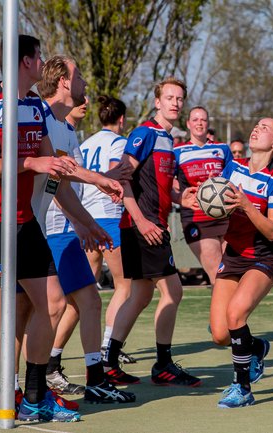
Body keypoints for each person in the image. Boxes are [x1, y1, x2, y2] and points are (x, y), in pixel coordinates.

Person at [0, 35, 85, 427]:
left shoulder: (32, 106)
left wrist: (99, 180)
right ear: (26, 61)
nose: (43, 62)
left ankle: (35, 398)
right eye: (39, 56)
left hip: (25, 221)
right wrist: (30, 165)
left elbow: (51, 163)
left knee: (53, 302)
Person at [29, 56, 134, 405]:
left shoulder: (68, 129)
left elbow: (64, 181)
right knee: (48, 307)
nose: (86, 86)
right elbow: (60, 176)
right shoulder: (40, 117)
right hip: (43, 229)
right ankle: (31, 383)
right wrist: (88, 211)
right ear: (62, 81)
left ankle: (90, 378)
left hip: (61, 228)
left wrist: (86, 223)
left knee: (85, 301)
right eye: (80, 78)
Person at [101, 77, 202, 387]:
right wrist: (142, 222)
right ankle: (163, 364)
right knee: (173, 292)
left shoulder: (167, 139)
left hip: (145, 225)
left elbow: (150, 184)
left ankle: (109, 360)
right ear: (157, 102)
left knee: (141, 295)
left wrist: (177, 197)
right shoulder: (145, 133)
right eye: (169, 97)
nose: (175, 102)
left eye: (179, 98)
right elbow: (122, 176)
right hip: (143, 227)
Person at [209, 117, 273, 408]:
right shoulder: (233, 167)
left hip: (261, 257)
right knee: (220, 334)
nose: (257, 129)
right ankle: (256, 347)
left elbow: (272, 230)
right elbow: (220, 206)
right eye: (257, 125)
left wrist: (246, 205)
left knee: (235, 315)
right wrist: (202, 200)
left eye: (265, 128)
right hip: (233, 254)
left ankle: (242, 388)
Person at [79, 95, 137, 367]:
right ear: (122, 119)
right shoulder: (119, 142)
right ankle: (108, 345)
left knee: (85, 290)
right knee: (124, 286)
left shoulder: (86, 142)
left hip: (86, 217)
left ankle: (57, 353)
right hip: (109, 217)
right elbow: (115, 171)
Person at [174, 106, 233, 285]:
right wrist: (179, 194)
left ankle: (232, 313)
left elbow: (234, 179)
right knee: (217, 275)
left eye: (203, 120)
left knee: (231, 272)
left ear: (208, 124)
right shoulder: (177, 151)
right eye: (195, 119)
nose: (200, 123)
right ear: (188, 124)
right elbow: (167, 182)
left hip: (225, 216)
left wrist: (217, 182)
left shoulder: (222, 149)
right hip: (197, 218)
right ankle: (222, 313)